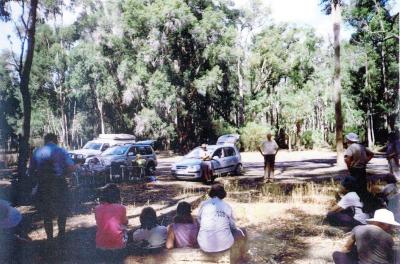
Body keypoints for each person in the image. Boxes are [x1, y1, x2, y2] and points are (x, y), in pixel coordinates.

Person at [28, 133, 75, 240]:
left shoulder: (37, 152)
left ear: (45, 141)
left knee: (46, 212)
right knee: (62, 210)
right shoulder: (61, 151)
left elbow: (30, 170)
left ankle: (50, 238)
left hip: (44, 185)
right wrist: (65, 172)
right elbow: (71, 167)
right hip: (59, 183)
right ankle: (62, 234)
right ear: (56, 140)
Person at [197, 184, 248, 262]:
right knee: (243, 231)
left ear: (211, 193)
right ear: (223, 194)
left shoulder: (204, 204)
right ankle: (243, 258)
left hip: (204, 244)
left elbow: (199, 219)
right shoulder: (226, 206)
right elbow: (233, 226)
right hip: (224, 245)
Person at [332, 208, 399, 264]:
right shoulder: (388, 237)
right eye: (390, 226)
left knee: (337, 254)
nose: (391, 228)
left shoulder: (358, 228)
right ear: (381, 223)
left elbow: (347, 248)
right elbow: (390, 257)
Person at [95, 184, 128, 250]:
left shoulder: (97, 208)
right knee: (124, 227)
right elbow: (125, 222)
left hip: (100, 244)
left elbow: (99, 223)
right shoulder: (121, 207)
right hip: (118, 244)